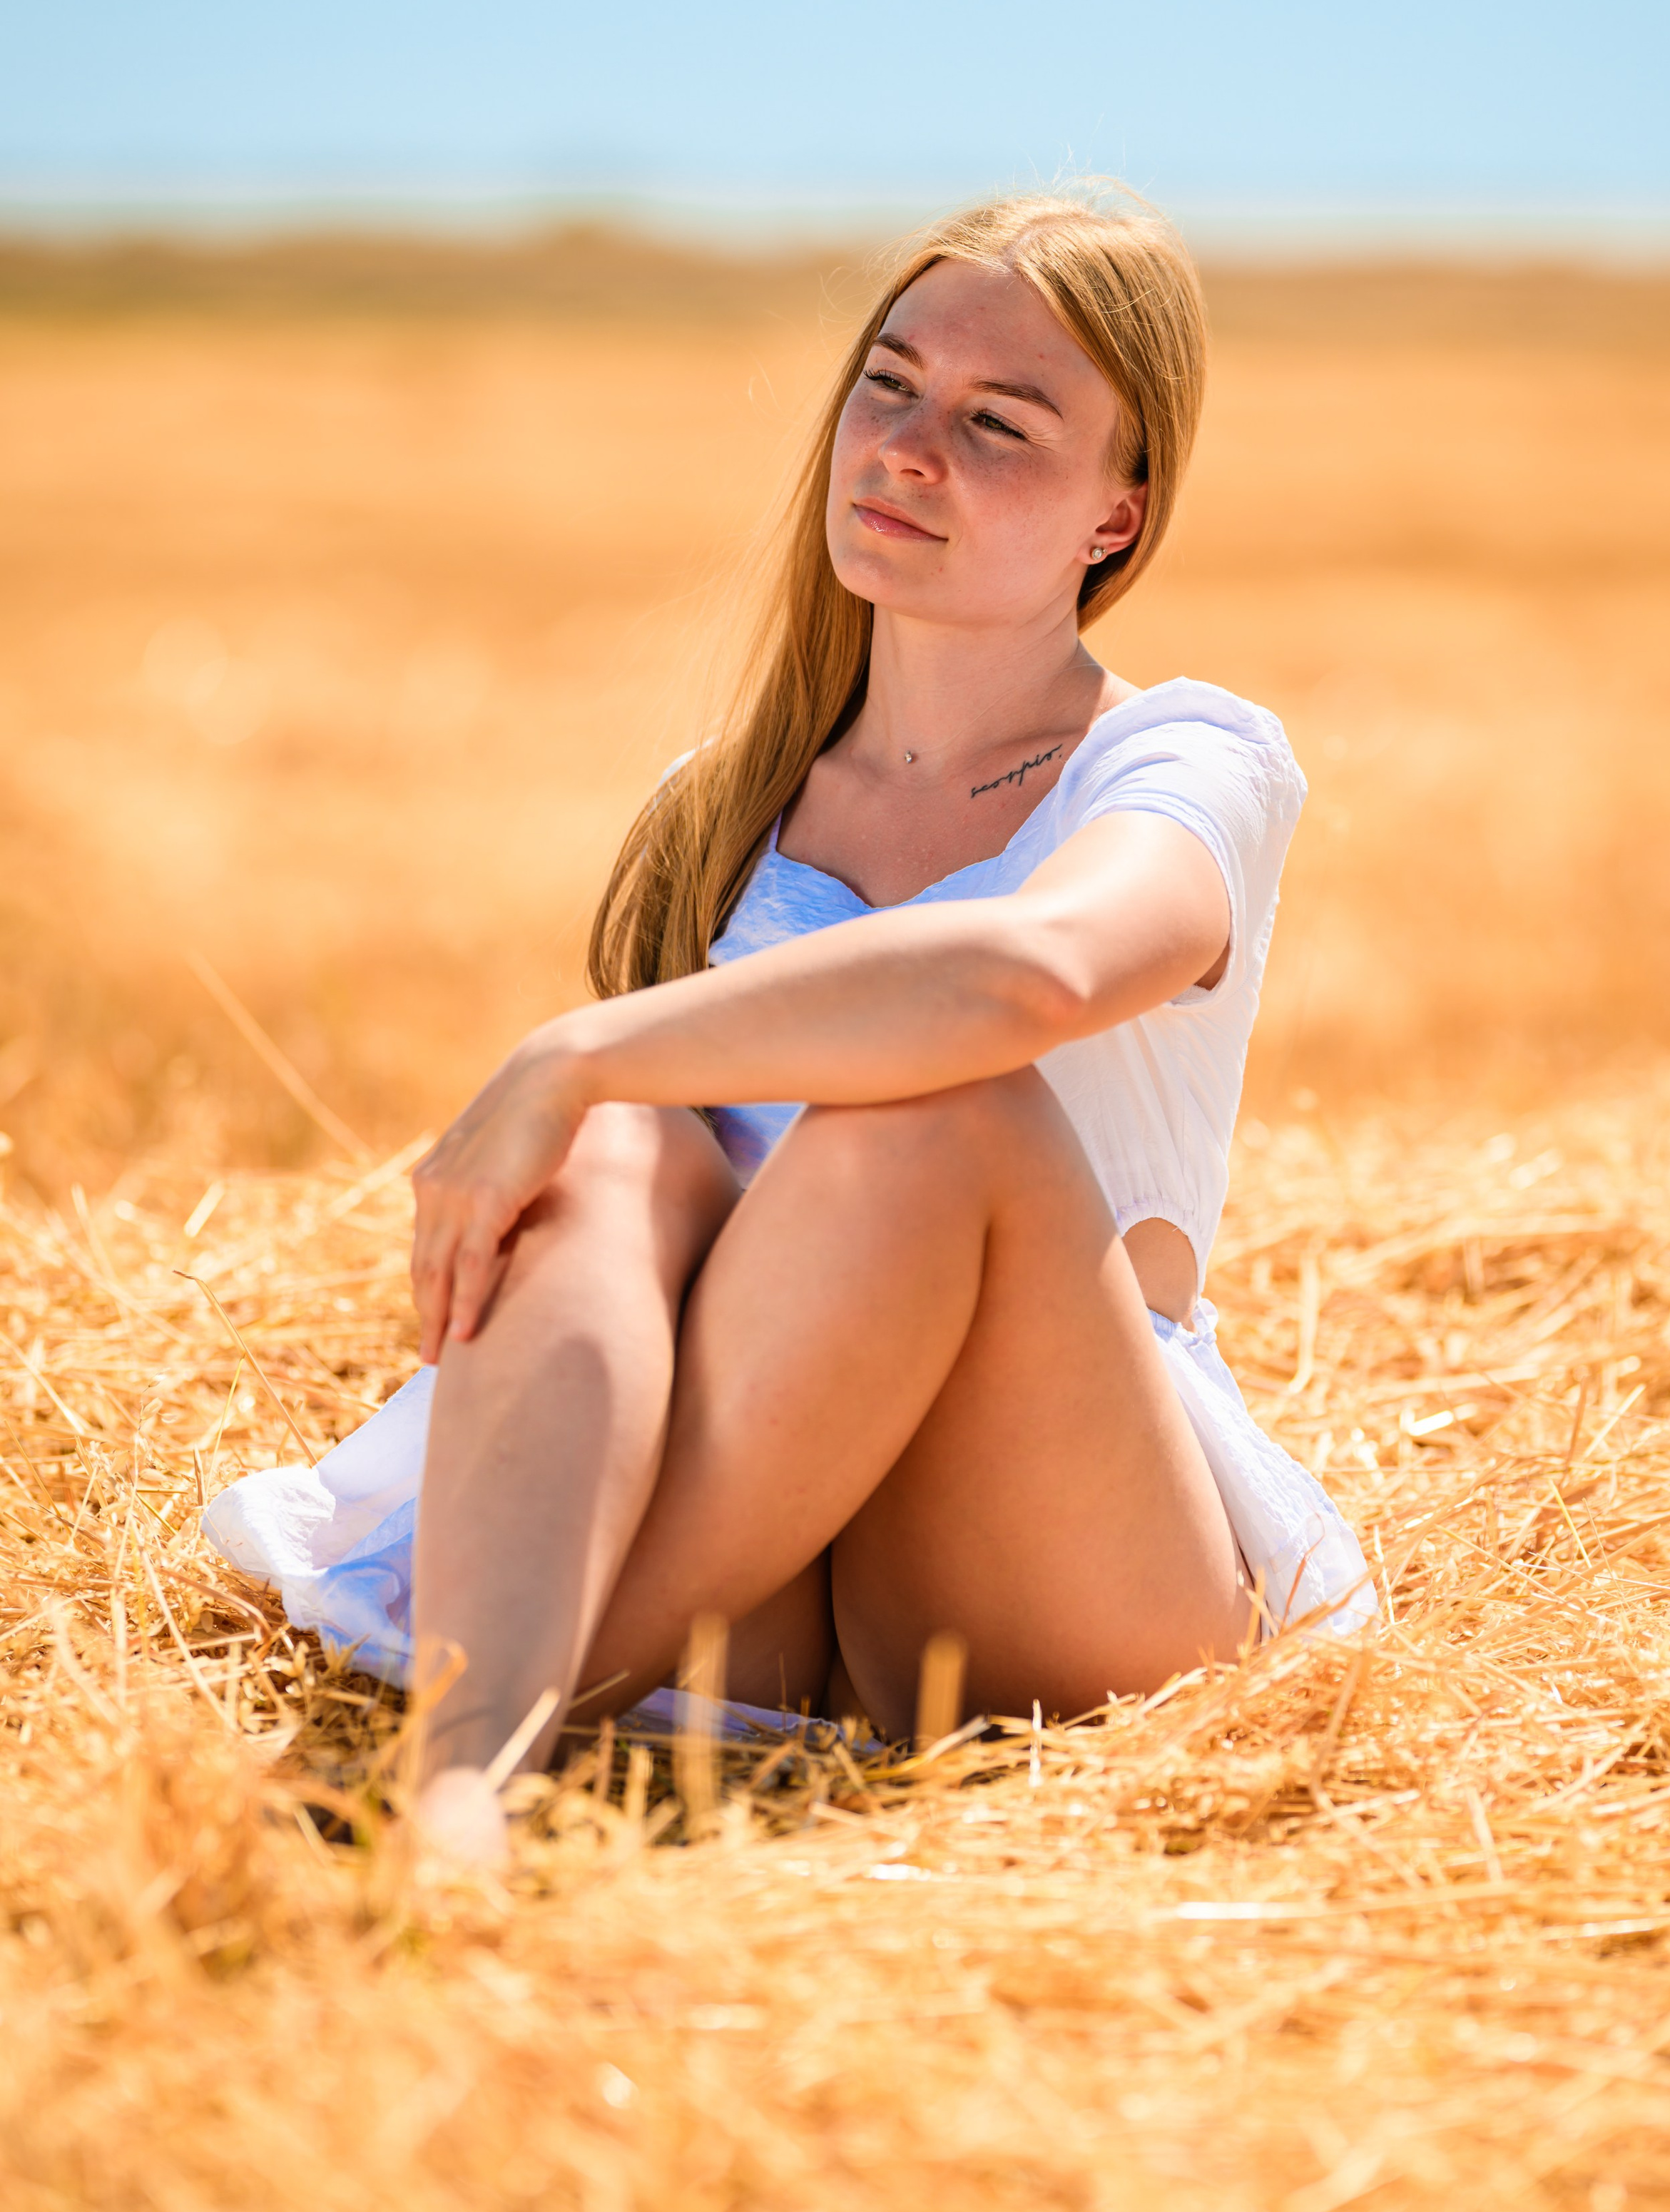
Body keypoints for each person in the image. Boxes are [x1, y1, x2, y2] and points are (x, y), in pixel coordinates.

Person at [205, 185, 1371, 1863]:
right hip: (759, 1547)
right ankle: (467, 1770)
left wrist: (571, 1050)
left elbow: (1031, 977)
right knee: (625, 1150)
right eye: (887, 386)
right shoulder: (726, 806)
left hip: (1046, 1554)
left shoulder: (1182, 763)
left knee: (935, 1106)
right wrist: (604, 1107)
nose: (905, 449)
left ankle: (500, 1669)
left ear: (1117, 517)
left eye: (997, 424)